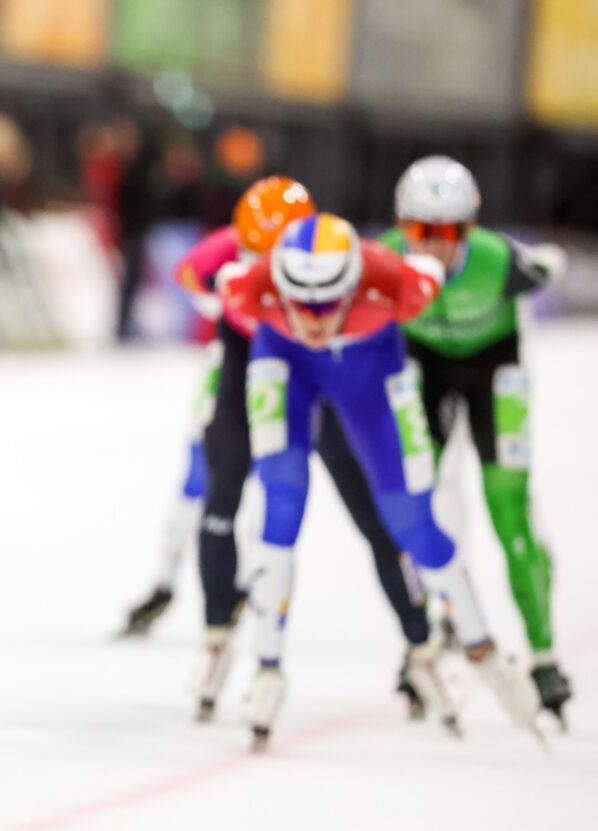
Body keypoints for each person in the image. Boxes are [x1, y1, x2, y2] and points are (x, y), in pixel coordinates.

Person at [119, 178, 439, 727]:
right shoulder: (227, 253)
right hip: (251, 365)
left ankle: (419, 643)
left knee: (374, 517)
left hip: (321, 376)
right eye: (251, 253)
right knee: (220, 498)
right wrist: (220, 289)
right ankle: (217, 639)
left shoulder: (331, 257)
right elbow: (189, 273)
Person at [217, 212, 541, 747]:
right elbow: (211, 279)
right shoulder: (253, 290)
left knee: (412, 524)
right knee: (281, 501)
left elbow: (446, 264)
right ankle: (267, 666)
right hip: (288, 371)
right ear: (280, 287)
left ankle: (483, 649)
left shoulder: (400, 282)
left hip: (373, 382)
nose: (315, 319)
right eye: (301, 302)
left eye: (327, 304)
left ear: (353, 286)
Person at [381, 156, 571, 724]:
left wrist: (548, 263)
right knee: (419, 502)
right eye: (420, 231)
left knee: (508, 510)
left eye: (447, 233)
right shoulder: (386, 258)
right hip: (425, 365)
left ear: (470, 229)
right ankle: (430, 633)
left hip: (494, 371)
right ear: (400, 223)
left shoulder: (498, 261)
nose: (433, 246)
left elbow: (548, 267)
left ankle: (543, 654)